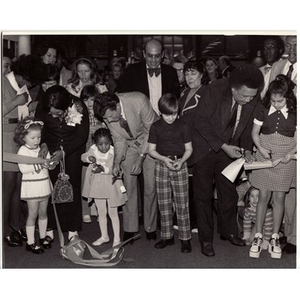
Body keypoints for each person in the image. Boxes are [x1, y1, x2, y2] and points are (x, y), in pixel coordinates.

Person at [191, 64, 264, 257]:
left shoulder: (252, 95)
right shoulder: (213, 90)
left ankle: (229, 231)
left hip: (230, 149)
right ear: (233, 89)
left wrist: (247, 149)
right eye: (245, 96)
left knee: (228, 192)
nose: (249, 100)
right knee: (203, 195)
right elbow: (199, 121)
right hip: (205, 147)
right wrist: (222, 146)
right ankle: (206, 239)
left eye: (252, 96)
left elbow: (249, 126)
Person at [93, 91, 158, 242]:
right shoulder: (107, 114)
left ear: (116, 106)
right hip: (129, 144)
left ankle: (151, 227)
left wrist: (141, 158)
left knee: (150, 185)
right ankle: (130, 228)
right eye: (105, 118)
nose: (108, 120)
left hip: (150, 141)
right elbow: (119, 139)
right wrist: (116, 162)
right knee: (128, 186)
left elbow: (152, 131)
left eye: (110, 116)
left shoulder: (138, 100)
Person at [249, 75, 296, 259]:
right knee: (263, 195)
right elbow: (255, 133)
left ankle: (275, 236)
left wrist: (290, 154)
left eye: (280, 101)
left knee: (279, 198)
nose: (276, 104)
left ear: (287, 98)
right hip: (265, 154)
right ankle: (259, 236)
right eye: (274, 101)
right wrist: (260, 148)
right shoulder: (262, 109)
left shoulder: (295, 112)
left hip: (285, 158)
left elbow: (297, 139)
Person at [34, 85, 89, 242]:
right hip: (50, 148)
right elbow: (39, 128)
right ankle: (50, 227)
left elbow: (82, 136)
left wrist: (64, 153)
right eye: (51, 114)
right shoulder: (42, 105)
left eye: (57, 113)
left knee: (72, 187)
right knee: (50, 187)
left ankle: (72, 228)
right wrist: (43, 144)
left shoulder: (78, 106)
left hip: (72, 149)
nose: (54, 116)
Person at [3, 54, 43, 247]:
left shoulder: (22, 86)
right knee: (7, 186)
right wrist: (15, 102)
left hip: (18, 138)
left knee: (18, 187)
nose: (27, 83)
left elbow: (23, 110)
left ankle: (15, 226)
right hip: (5, 138)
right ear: (20, 73)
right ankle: (4, 230)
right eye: (27, 79)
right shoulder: (2, 82)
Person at [148, 94, 193, 253]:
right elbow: (151, 150)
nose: (171, 118)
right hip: (162, 164)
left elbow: (189, 149)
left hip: (180, 163)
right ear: (160, 112)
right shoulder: (155, 127)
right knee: (164, 202)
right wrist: (163, 159)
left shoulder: (183, 125)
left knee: (182, 203)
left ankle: (185, 238)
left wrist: (181, 161)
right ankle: (167, 236)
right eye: (167, 114)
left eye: (174, 114)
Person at [81, 128, 127, 247]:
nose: (104, 147)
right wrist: (88, 158)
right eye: (100, 144)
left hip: (111, 184)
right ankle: (104, 236)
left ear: (111, 141)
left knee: (113, 212)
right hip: (97, 185)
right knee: (101, 212)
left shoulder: (113, 151)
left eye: (106, 143)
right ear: (95, 144)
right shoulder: (93, 150)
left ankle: (116, 239)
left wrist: (103, 169)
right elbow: (83, 156)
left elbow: (113, 168)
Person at [14, 117, 52, 254]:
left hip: (43, 184)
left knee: (43, 213)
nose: (37, 140)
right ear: (23, 137)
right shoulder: (23, 151)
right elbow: (24, 169)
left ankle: (42, 238)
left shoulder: (42, 148)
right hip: (31, 187)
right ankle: (30, 243)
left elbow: (49, 163)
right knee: (33, 214)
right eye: (33, 137)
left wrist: (50, 162)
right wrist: (39, 164)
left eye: (39, 137)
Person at [178, 60, 206, 232]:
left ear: (201, 75)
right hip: (184, 143)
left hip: (199, 144)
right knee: (186, 184)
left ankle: (196, 221)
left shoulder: (207, 93)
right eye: (187, 73)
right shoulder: (184, 92)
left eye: (193, 73)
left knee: (199, 186)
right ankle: (186, 219)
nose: (189, 77)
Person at [118, 38, 180, 115]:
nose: (153, 60)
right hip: (140, 121)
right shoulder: (132, 71)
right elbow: (123, 96)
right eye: (150, 56)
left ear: (162, 54)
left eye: (157, 56)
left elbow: (175, 99)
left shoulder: (171, 72)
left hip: (165, 120)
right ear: (144, 54)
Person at [80, 85, 106, 223]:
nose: (89, 103)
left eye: (92, 100)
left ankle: (96, 207)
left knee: (99, 178)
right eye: (86, 100)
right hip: (86, 150)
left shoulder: (100, 114)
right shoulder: (79, 115)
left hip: (100, 149)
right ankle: (85, 209)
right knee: (85, 180)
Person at [242, 186, 273, 254]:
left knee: (265, 238)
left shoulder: (267, 210)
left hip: (269, 227)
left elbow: (269, 227)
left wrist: (266, 241)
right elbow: (247, 223)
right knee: (251, 240)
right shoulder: (248, 209)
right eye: (252, 196)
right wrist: (247, 235)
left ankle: (272, 237)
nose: (255, 199)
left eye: (258, 196)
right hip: (258, 225)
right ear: (248, 198)